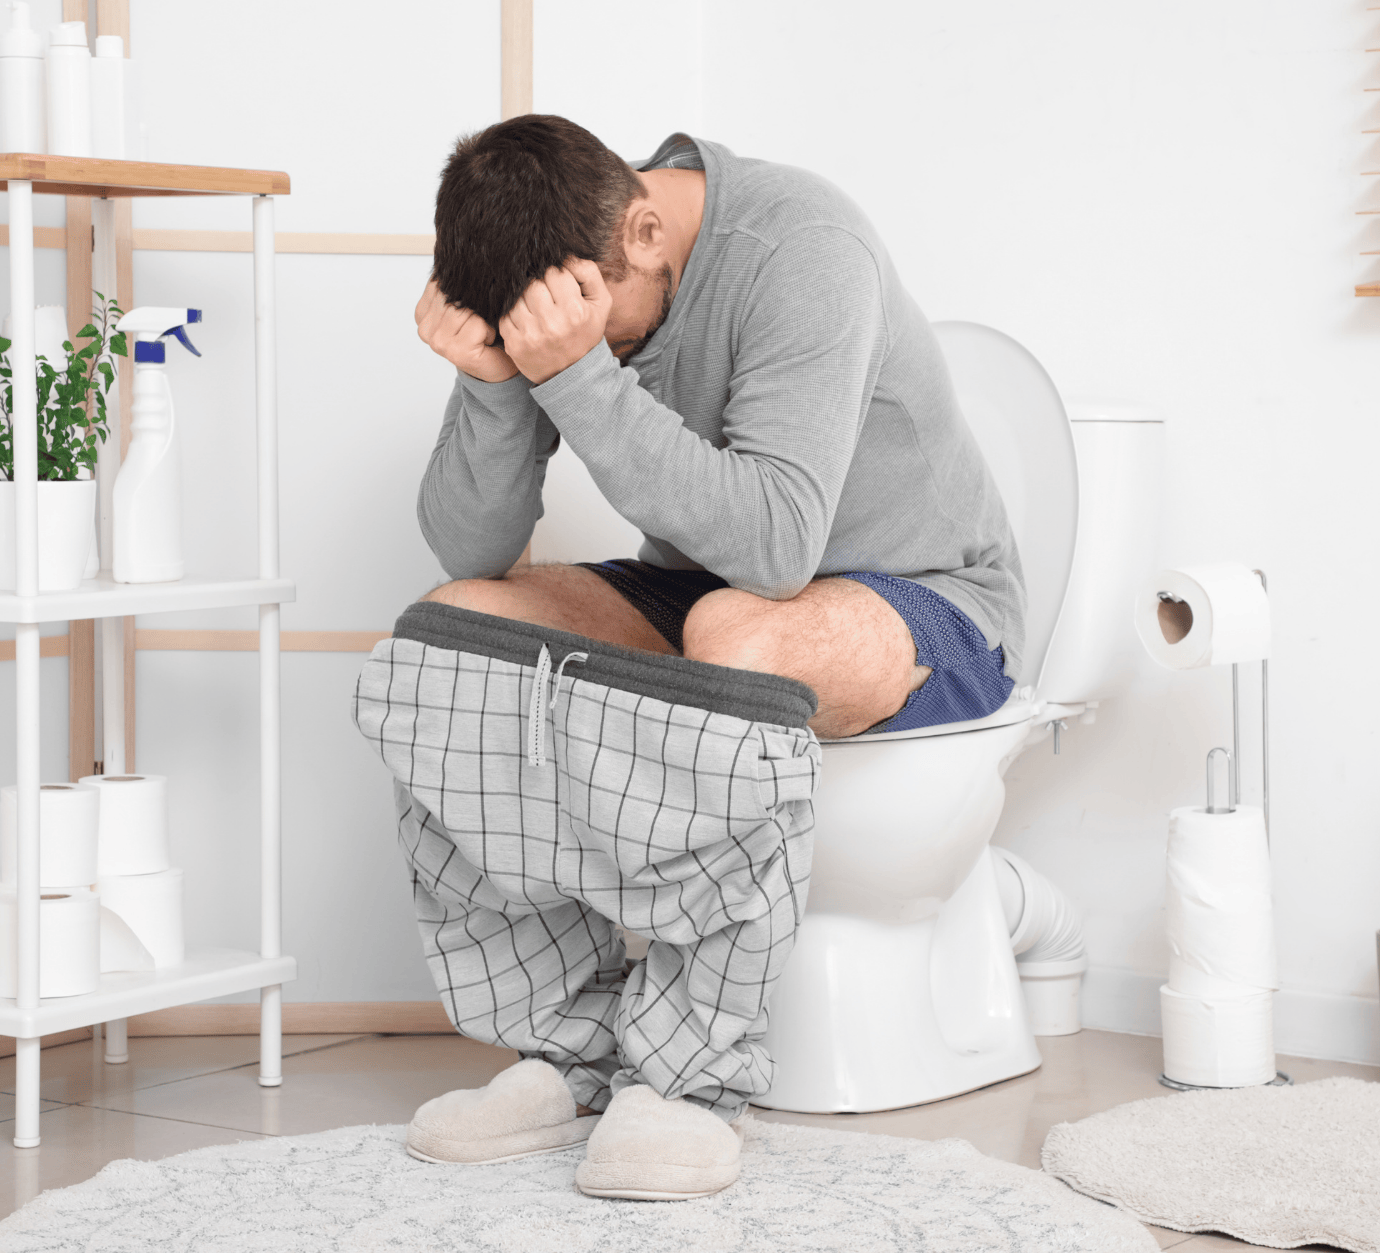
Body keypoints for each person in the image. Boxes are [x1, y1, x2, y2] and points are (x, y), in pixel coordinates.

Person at [379, 114, 1024, 1199]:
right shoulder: (564, 264)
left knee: (734, 636)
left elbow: (776, 546)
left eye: (597, 334)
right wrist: (498, 380)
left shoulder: (804, 248)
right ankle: (571, 1046)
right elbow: (472, 545)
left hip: (930, 594)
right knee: (463, 628)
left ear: (644, 228)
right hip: (717, 587)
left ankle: (685, 1075)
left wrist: (577, 376)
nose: (586, 355)